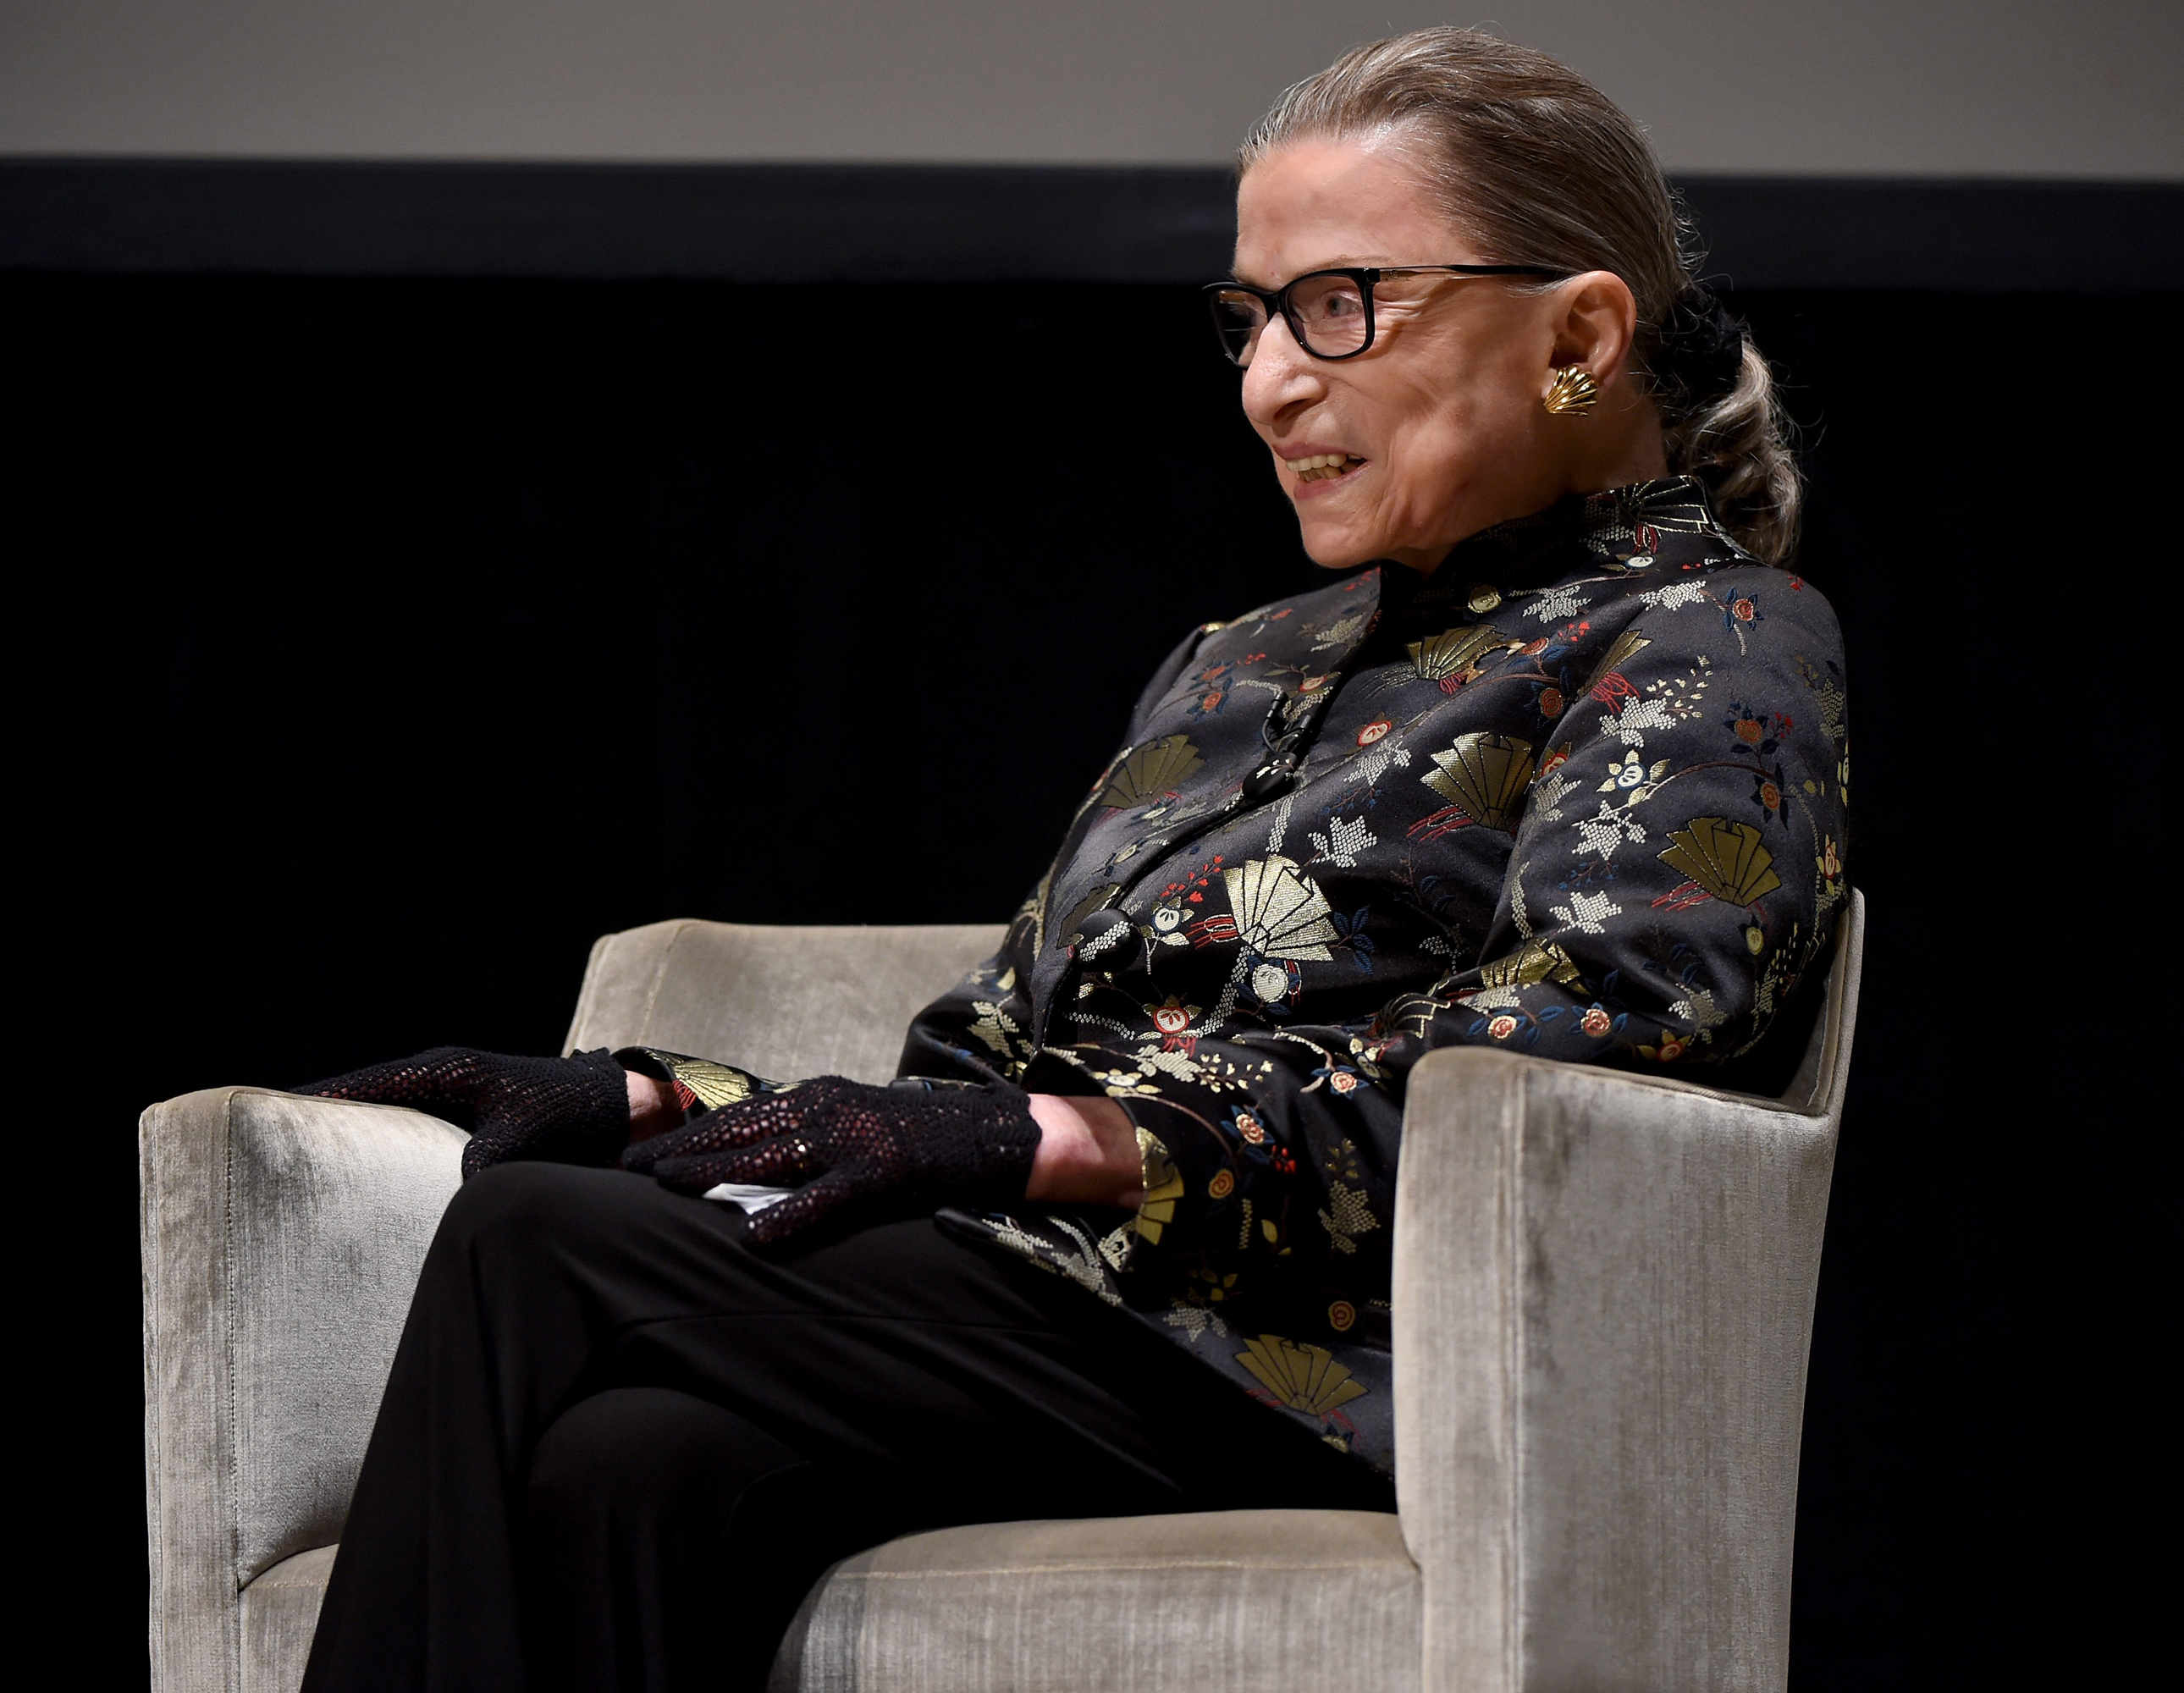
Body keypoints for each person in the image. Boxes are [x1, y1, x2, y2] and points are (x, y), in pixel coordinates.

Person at [297, 27, 1850, 1693]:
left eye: (1344, 302)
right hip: (1071, 1308)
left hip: (1320, 1350)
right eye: (1250, 318)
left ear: (1580, 334)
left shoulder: (1710, 633)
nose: (1269, 383)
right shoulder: (1237, 663)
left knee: (533, 1243)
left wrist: (1035, 1138)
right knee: (629, 1465)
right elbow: (980, 1070)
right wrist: (656, 1097)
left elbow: (1578, 1056)